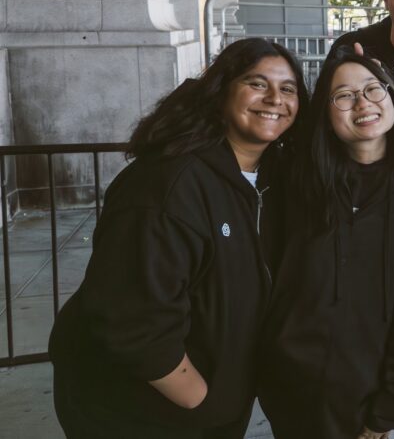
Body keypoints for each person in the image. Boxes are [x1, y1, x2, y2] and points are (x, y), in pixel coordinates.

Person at [49, 38, 308, 439]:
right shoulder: (167, 184)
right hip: (140, 409)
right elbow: (134, 321)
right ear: (220, 91)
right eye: (257, 83)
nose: (274, 98)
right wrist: (200, 400)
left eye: (288, 88)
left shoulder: (274, 179)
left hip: (214, 403)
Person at [259, 48, 394, 439]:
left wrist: (391, 404)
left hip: (367, 390)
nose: (362, 102)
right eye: (344, 95)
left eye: (373, 89)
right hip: (289, 382)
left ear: (392, 97)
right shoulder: (298, 179)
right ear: (326, 114)